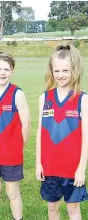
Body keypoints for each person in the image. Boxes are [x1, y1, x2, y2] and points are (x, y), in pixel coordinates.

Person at [36, 44, 88, 220]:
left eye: (65, 70)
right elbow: (40, 134)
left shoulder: (82, 99)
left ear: (75, 70)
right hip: (49, 167)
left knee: (73, 210)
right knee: (52, 209)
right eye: (56, 71)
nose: (60, 75)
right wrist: (38, 163)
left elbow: (86, 137)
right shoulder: (45, 98)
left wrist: (81, 168)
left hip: (72, 169)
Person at [0, 52, 30, 220]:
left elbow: (26, 124)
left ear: (12, 71)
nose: (2, 73)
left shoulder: (18, 94)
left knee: (12, 192)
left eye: (7, 69)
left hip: (11, 155)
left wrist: (18, 148)